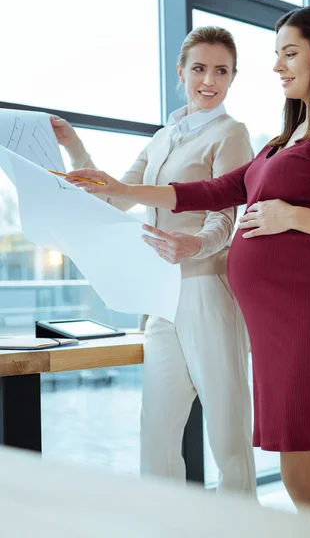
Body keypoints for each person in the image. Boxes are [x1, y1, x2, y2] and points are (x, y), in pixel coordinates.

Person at [67, 5, 310, 513]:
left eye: (290, 54)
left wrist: (295, 216)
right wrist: (120, 187)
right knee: (302, 478)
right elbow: (216, 188)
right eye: (276, 55)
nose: (277, 67)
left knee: (303, 479)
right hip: (279, 326)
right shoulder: (286, 138)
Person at [51, 26, 257, 494]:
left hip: (209, 292)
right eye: (200, 68)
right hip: (162, 300)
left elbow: (225, 219)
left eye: (221, 70)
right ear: (180, 72)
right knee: (157, 434)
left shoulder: (232, 133)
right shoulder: (164, 136)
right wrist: (73, 146)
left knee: (228, 439)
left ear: (232, 77)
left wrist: (195, 245)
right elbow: (112, 198)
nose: (209, 80)